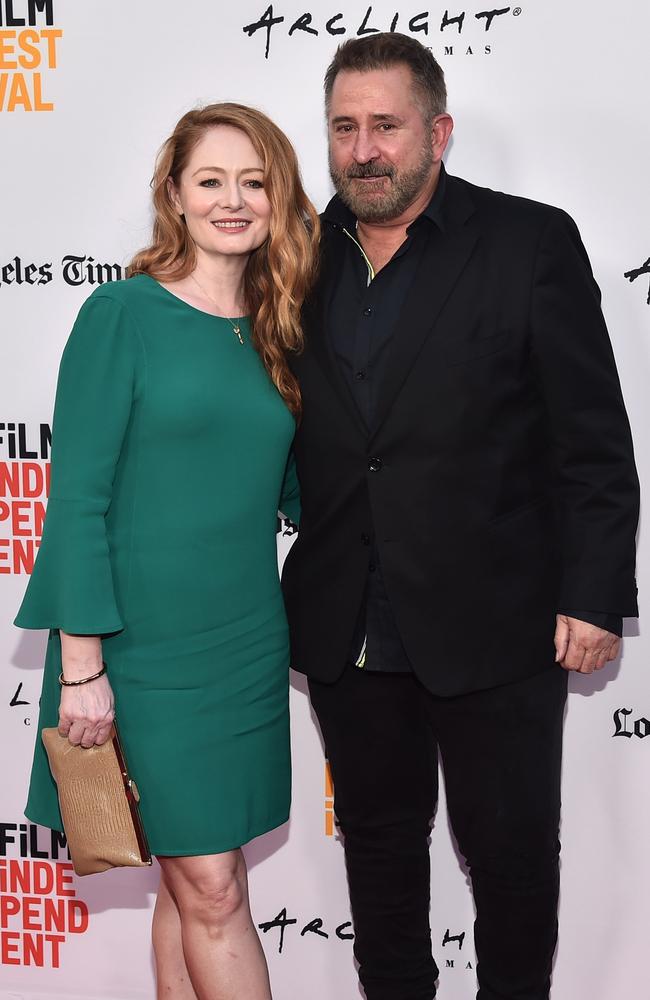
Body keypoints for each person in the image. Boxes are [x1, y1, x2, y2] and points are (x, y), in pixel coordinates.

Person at [282, 33, 639, 1000]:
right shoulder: (294, 258)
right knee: (382, 863)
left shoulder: (529, 241)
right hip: (346, 623)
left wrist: (595, 596)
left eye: (385, 127)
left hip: (501, 621)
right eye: (345, 128)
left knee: (513, 860)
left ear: (437, 132)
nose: (364, 150)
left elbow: (595, 443)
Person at [15, 102, 317, 1000]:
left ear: (278, 197)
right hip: (143, 653)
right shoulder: (122, 314)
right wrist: (81, 667)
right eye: (211, 181)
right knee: (213, 885)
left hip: (246, 642)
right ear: (175, 198)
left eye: (254, 182)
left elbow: (299, 492)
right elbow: (78, 501)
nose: (234, 200)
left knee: (192, 879)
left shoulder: (277, 329)